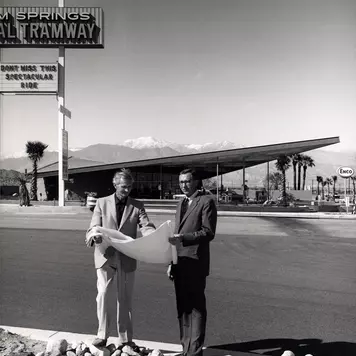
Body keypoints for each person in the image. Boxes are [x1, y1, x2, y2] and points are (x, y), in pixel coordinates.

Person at [85, 169, 155, 348]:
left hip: (127, 257)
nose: (127, 190)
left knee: (125, 299)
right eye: (124, 187)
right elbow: (94, 225)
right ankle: (102, 334)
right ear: (115, 185)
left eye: (130, 187)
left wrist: (153, 236)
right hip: (105, 256)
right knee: (103, 295)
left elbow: (146, 226)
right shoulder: (101, 203)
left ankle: (125, 339)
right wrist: (95, 236)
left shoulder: (137, 205)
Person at [167, 168, 217, 356]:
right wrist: (171, 262)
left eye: (187, 181)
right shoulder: (181, 203)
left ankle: (195, 351)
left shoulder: (206, 202)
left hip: (195, 262)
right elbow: (175, 233)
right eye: (181, 182)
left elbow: (208, 232)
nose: (183, 185)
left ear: (196, 182)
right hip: (179, 262)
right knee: (183, 307)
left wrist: (183, 238)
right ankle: (185, 348)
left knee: (196, 308)